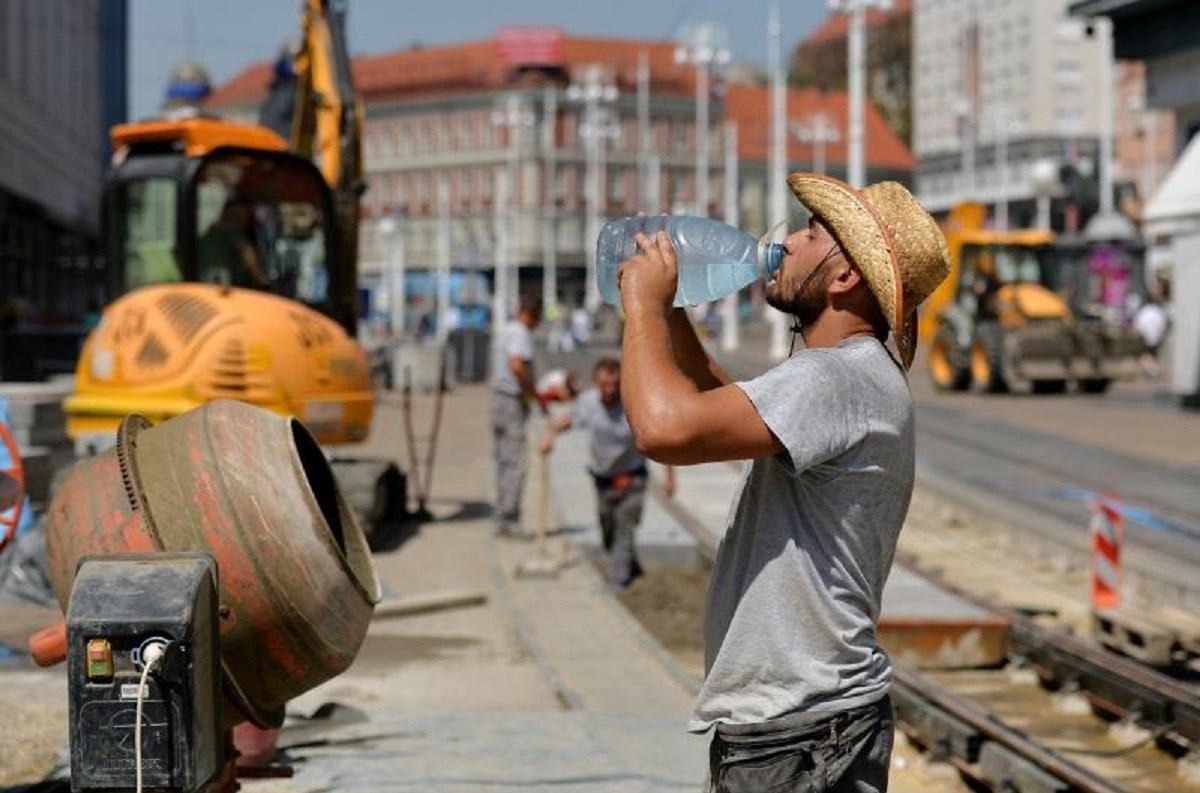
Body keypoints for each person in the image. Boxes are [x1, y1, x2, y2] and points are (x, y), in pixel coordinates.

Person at [616, 173, 950, 793]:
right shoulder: (847, 375)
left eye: (811, 233)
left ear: (845, 276)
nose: (788, 242)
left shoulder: (837, 378)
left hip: (801, 735)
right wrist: (670, 313)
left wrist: (639, 309)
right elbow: (718, 405)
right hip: (807, 728)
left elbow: (663, 430)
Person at [538, 358, 675, 590]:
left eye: (615, 384)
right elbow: (569, 420)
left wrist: (669, 476)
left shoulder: (634, 406)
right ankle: (629, 566)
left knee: (625, 526)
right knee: (607, 527)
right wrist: (550, 435)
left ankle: (616, 582)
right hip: (602, 478)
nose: (610, 390)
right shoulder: (588, 403)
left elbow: (661, 438)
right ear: (596, 383)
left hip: (632, 477)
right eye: (605, 385)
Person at [490, 292, 546, 537]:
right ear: (532, 315)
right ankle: (509, 520)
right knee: (515, 462)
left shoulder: (505, 330)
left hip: (497, 399)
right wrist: (534, 394)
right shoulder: (520, 333)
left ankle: (502, 513)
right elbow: (517, 365)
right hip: (511, 400)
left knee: (503, 460)